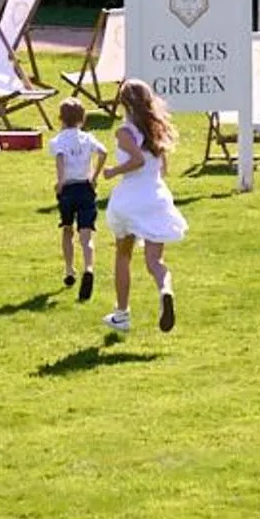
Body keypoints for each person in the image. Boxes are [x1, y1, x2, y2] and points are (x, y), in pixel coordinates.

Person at [99, 79, 187, 333]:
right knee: (155, 262)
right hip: (155, 196)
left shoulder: (125, 132)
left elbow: (136, 160)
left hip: (130, 198)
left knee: (123, 255)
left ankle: (122, 313)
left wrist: (114, 170)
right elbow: (163, 168)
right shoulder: (156, 130)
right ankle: (165, 290)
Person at [48, 98, 104, 301]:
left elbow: (61, 158)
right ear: (83, 119)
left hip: (69, 189)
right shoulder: (88, 138)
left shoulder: (58, 140)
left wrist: (60, 181)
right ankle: (88, 267)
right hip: (86, 187)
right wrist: (95, 176)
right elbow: (103, 153)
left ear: (60, 119)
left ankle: (70, 270)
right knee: (86, 235)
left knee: (67, 229)